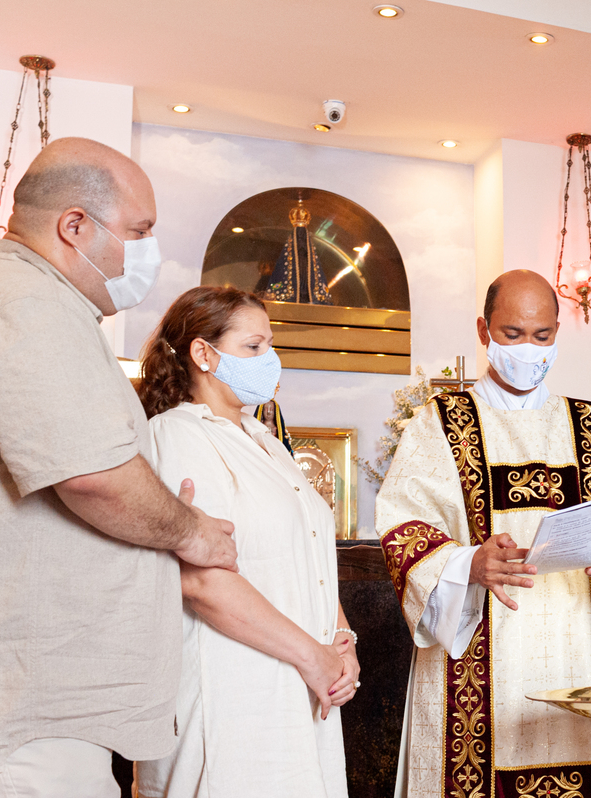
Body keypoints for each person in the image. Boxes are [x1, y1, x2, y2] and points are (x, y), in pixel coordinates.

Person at [0, 138, 237, 796]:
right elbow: (94, 476)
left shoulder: (27, 304)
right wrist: (193, 532)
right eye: (140, 232)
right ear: (75, 226)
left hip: (23, 706)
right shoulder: (25, 303)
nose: (148, 253)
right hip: (25, 718)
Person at [376, 270, 591, 798]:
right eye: (512, 334)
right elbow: (405, 526)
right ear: (483, 330)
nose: (529, 350)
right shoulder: (441, 423)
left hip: (572, 649)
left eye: (543, 336)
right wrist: (469, 563)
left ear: (558, 331)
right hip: (471, 662)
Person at [133, 286, 356, 798]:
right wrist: (312, 655)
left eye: (270, 346)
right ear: (203, 354)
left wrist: (344, 643)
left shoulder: (266, 441)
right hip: (235, 689)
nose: (269, 360)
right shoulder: (177, 435)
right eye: (254, 347)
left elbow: (306, 557)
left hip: (304, 687)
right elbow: (202, 581)